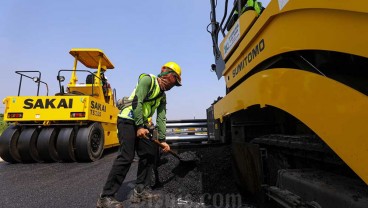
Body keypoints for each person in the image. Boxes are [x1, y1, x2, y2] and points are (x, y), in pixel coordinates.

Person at [97, 62, 182, 208]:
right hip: (128, 120)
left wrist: (163, 140)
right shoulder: (147, 80)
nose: (173, 85)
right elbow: (137, 101)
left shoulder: (162, 96)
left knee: (149, 153)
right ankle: (106, 197)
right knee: (126, 156)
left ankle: (140, 191)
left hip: (142, 123)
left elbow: (161, 118)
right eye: (174, 79)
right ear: (164, 71)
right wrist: (140, 126)